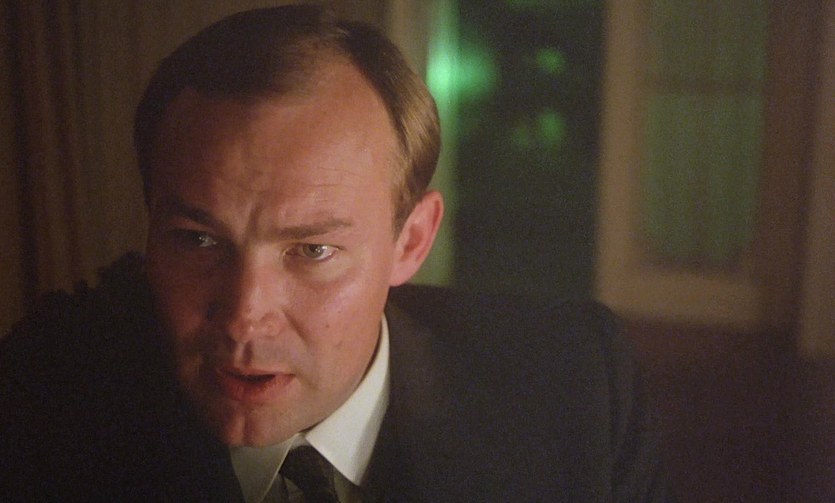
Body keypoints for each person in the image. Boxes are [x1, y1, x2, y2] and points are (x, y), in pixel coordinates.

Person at [0, 5, 669, 502]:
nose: (244, 315)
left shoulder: (576, 395)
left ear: (410, 241)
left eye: (312, 249)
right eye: (199, 240)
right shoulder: (40, 415)